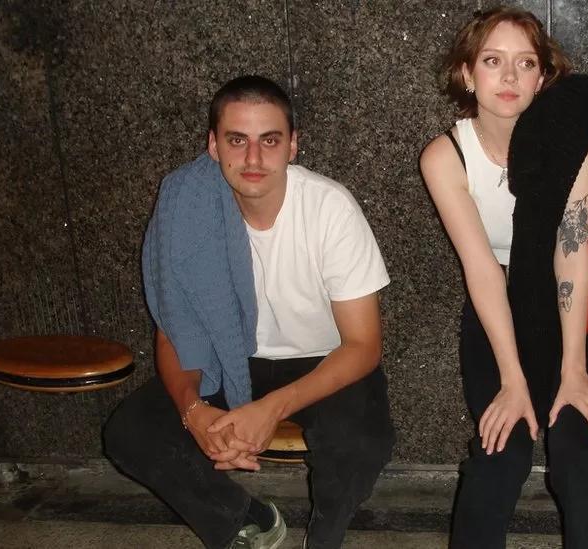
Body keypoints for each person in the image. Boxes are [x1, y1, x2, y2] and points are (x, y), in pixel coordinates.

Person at [103, 75, 395, 549]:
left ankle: (324, 537)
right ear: (213, 146)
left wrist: (271, 408)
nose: (253, 158)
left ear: (293, 146)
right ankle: (247, 519)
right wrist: (194, 412)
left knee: (360, 439)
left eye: (270, 140)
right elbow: (175, 331)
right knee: (131, 431)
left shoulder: (330, 209)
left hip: (323, 360)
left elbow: (363, 346)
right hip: (229, 357)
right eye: (237, 140)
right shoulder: (185, 207)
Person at [420, 7, 588, 548]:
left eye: (525, 64)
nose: (509, 77)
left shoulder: (572, 135)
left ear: (543, 77)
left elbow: (572, 250)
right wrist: (512, 381)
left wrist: (573, 370)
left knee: (580, 445)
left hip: (578, 310)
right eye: (492, 61)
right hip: (498, 309)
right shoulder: (446, 156)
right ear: (468, 73)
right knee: (501, 448)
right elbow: (481, 271)